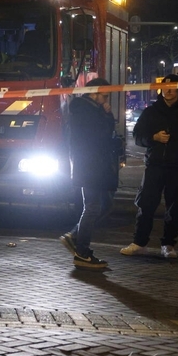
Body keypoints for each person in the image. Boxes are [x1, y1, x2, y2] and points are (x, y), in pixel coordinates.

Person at [121, 74, 178, 259]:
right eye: (165, 87)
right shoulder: (151, 111)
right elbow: (138, 136)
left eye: (172, 87)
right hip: (155, 165)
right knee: (146, 204)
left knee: (174, 207)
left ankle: (168, 244)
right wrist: (153, 138)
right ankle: (139, 242)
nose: (168, 90)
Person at [60, 77, 119, 270]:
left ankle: (76, 238)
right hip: (91, 165)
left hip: (91, 164)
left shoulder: (86, 109)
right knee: (93, 206)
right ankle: (81, 251)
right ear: (94, 93)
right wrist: (107, 116)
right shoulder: (87, 111)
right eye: (105, 96)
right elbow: (101, 135)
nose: (106, 100)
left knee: (100, 205)